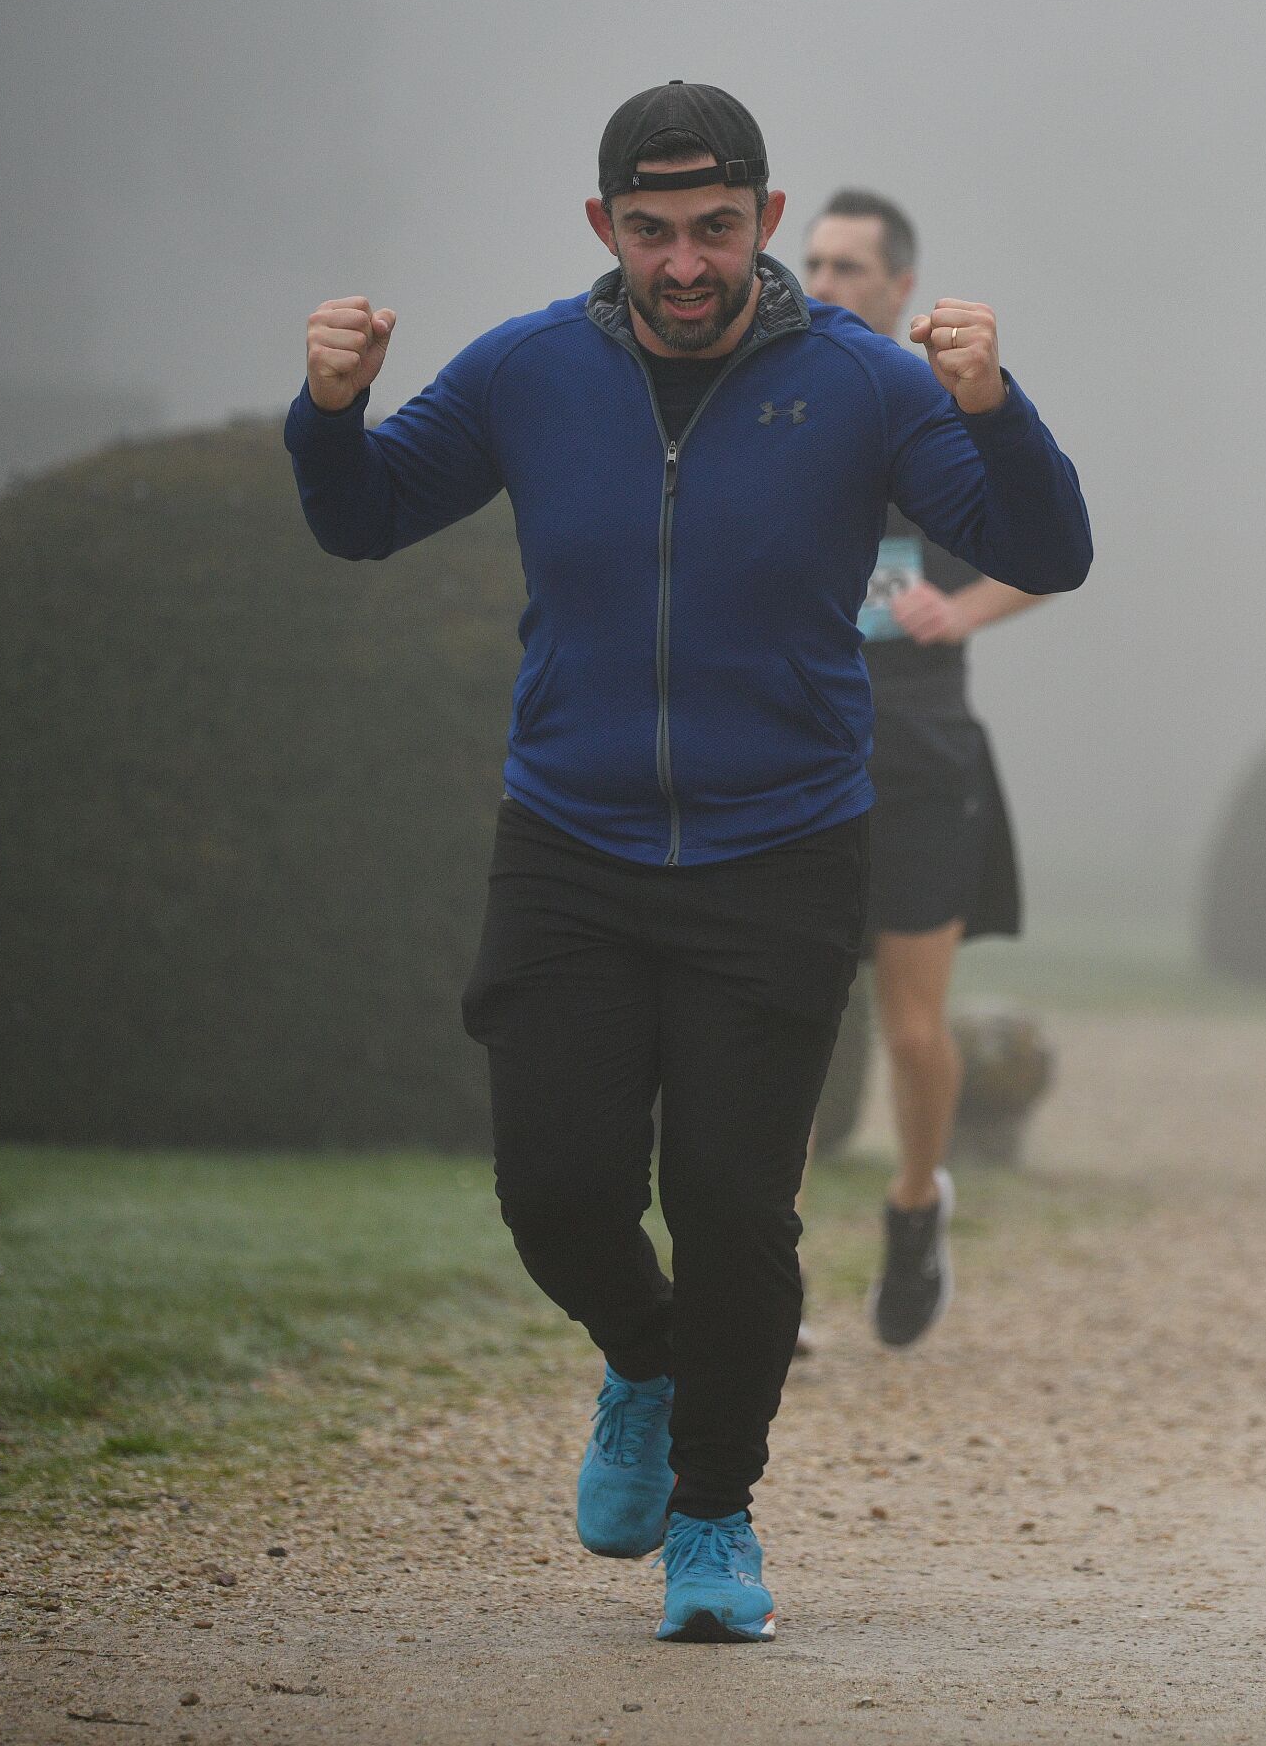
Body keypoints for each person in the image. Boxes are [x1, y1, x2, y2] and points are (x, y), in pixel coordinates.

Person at [285, 83, 1093, 1642]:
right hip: (570, 845)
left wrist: (996, 405)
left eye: (716, 228)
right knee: (554, 1190)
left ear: (766, 221)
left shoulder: (861, 382)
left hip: (782, 847)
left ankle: (715, 1520)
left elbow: (1047, 549)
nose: (684, 264)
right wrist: (329, 412)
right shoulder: (528, 369)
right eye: (651, 231)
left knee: (734, 1204)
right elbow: (363, 517)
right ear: (605, 226)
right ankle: (648, 1362)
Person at [796, 188, 1050, 1346]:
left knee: (909, 1030)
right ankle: (769, 1271)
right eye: (813, 263)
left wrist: (963, 610)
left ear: (901, 284)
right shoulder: (778, 403)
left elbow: (1050, 546)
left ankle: (914, 1205)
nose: (825, 284)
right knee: (791, 1027)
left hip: (922, 754)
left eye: (849, 267)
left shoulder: (947, 410)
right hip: (796, 753)